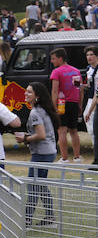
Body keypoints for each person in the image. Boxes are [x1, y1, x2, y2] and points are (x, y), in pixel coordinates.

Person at [17, 82, 58, 226]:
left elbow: (41, 135)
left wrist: (25, 139)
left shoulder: (35, 112)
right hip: (48, 151)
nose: (25, 94)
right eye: (26, 91)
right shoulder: (41, 109)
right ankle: (50, 217)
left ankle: (27, 220)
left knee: (33, 186)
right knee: (40, 185)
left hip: (42, 153)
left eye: (29, 92)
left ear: (37, 96)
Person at [49, 48, 82, 163]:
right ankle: (77, 157)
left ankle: (64, 158)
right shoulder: (76, 71)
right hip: (73, 103)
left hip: (61, 104)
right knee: (73, 130)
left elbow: (54, 91)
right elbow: (78, 89)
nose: (52, 61)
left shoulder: (56, 72)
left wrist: (53, 107)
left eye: (53, 59)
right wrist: (80, 104)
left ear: (60, 58)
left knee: (61, 130)